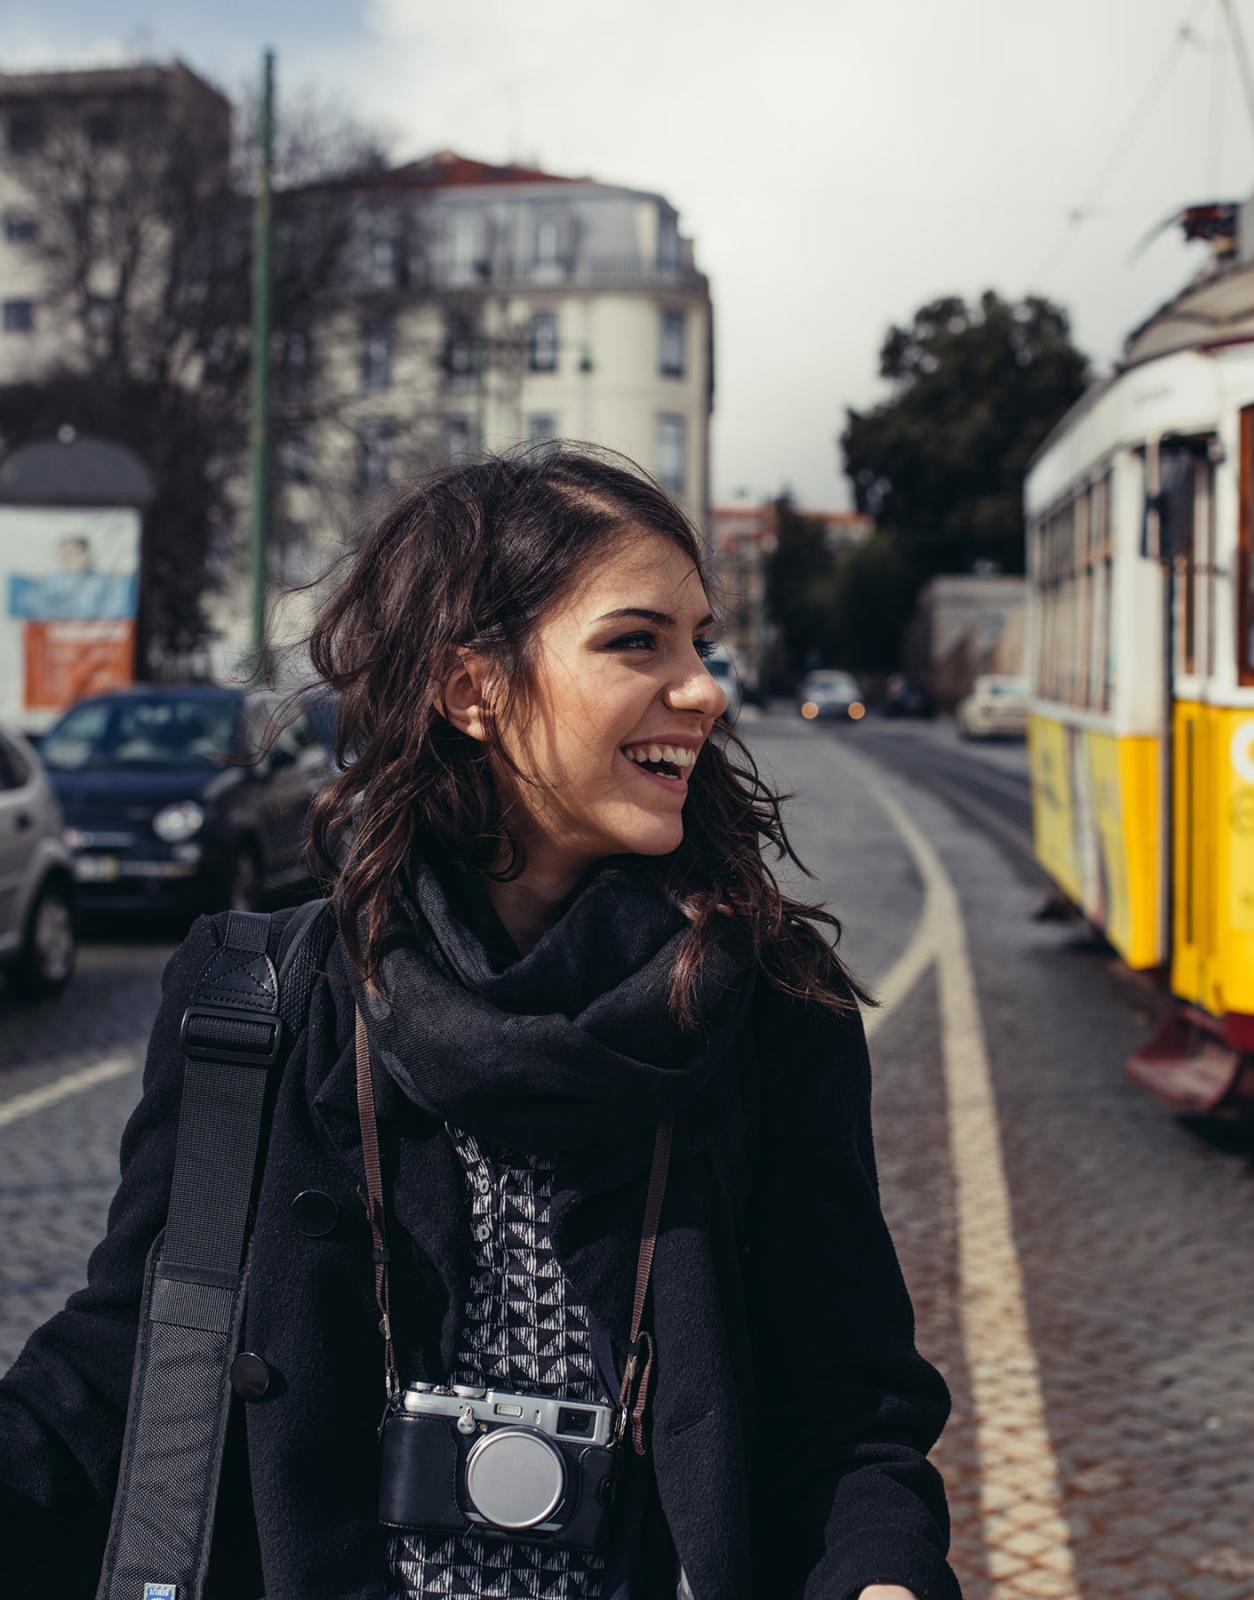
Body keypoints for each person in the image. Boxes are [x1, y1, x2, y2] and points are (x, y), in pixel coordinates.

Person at [0, 446, 958, 1600]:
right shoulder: (256, 1002)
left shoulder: (769, 1008)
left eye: (696, 641)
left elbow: (850, 1413)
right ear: (472, 689)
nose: (704, 686)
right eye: (636, 640)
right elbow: (124, 1363)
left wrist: (883, 1577)